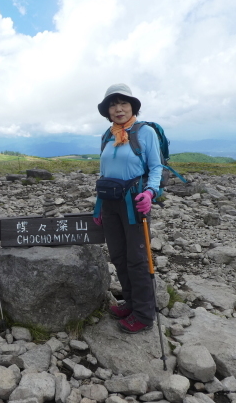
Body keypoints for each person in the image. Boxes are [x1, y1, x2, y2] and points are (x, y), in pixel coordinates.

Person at [96, 83, 163, 333]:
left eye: (123, 103)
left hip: (134, 201)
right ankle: (131, 303)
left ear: (132, 106)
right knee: (119, 256)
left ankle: (144, 315)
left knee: (137, 259)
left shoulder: (145, 133)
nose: (118, 108)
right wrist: (98, 208)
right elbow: (104, 172)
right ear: (108, 111)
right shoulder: (107, 135)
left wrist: (150, 192)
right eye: (113, 104)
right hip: (110, 203)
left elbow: (156, 167)